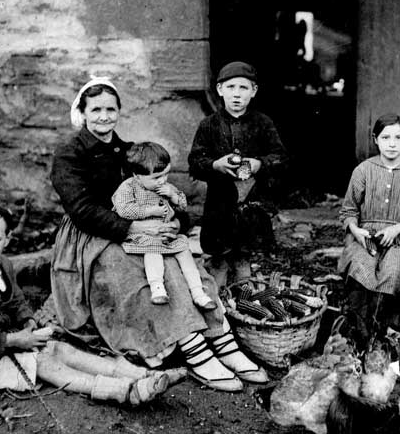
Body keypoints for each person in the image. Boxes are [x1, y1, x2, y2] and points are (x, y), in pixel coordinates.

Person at [50, 77, 267, 392]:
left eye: (110, 109)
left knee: (183, 263)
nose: (103, 117)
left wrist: (176, 223)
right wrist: (133, 228)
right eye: (95, 110)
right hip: (91, 234)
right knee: (143, 273)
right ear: (83, 113)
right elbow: (81, 209)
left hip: (144, 224)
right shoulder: (70, 152)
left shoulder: (129, 152)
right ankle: (194, 348)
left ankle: (221, 340)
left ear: (119, 112)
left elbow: (160, 193)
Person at [0, 205, 171, 405]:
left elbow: (16, 301)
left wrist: (27, 321)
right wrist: (14, 341)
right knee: (43, 362)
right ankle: (123, 391)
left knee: (58, 349)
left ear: (8, 239)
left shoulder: (2, 264)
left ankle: (142, 375)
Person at [188, 61, 289, 287]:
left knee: (244, 256)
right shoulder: (209, 125)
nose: (236, 95)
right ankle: (218, 296)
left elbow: (280, 157)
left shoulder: (263, 123)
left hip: (251, 200)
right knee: (218, 259)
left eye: (243, 88)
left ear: (253, 92)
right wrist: (215, 165)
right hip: (220, 201)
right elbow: (195, 162)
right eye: (231, 87)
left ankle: (242, 293)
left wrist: (259, 164)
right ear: (220, 90)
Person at [338, 114, 400, 348]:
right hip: (366, 238)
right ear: (376, 140)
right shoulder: (363, 170)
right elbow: (348, 210)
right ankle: (360, 337)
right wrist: (355, 230)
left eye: (398, 137)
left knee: (392, 270)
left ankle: (378, 336)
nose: (392, 143)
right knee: (362, 268)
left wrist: (398, 228)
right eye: (386, 137)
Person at [112, 141, 216, 310]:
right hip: (144, 234)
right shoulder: (128, 187)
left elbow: (182, 206)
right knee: (153, 252)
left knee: (185, 252)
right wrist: (150, 211)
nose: (162, 181)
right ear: (137, 175)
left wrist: (173, 196)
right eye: (156, 178)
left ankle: (198, 292)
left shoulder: (166, 187)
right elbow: (124, 210)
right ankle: (157, 288)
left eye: (166, 174)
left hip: (167, 233)